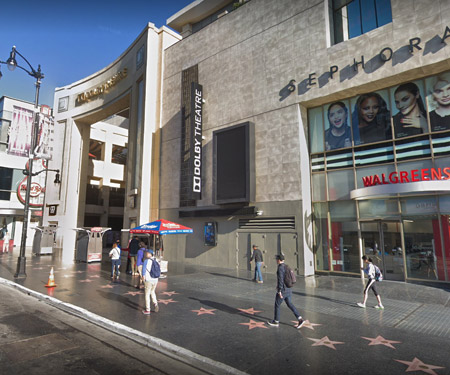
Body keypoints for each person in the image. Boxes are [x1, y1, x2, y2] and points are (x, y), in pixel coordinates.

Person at [267, 254, 305, 329]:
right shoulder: (286, 266)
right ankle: (300, 319)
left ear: (278, 260)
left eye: (276, 259)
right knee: (290, 304)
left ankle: (276, 321)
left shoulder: (280, 268)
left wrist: (279, 291)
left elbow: (280, 280)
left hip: (283, 290)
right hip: (289, 289)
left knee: (277, 305)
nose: (276, 260)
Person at [142, 250, 160, 315]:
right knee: (152, 292)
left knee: (147, 294)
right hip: (155, 279)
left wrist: (143, 277)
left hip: (148, 279)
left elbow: (143, 270)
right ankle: (155, 303)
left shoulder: (146, 261)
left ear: (150, 254)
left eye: (147, 253)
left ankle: (148, 309)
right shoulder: (156, 260)